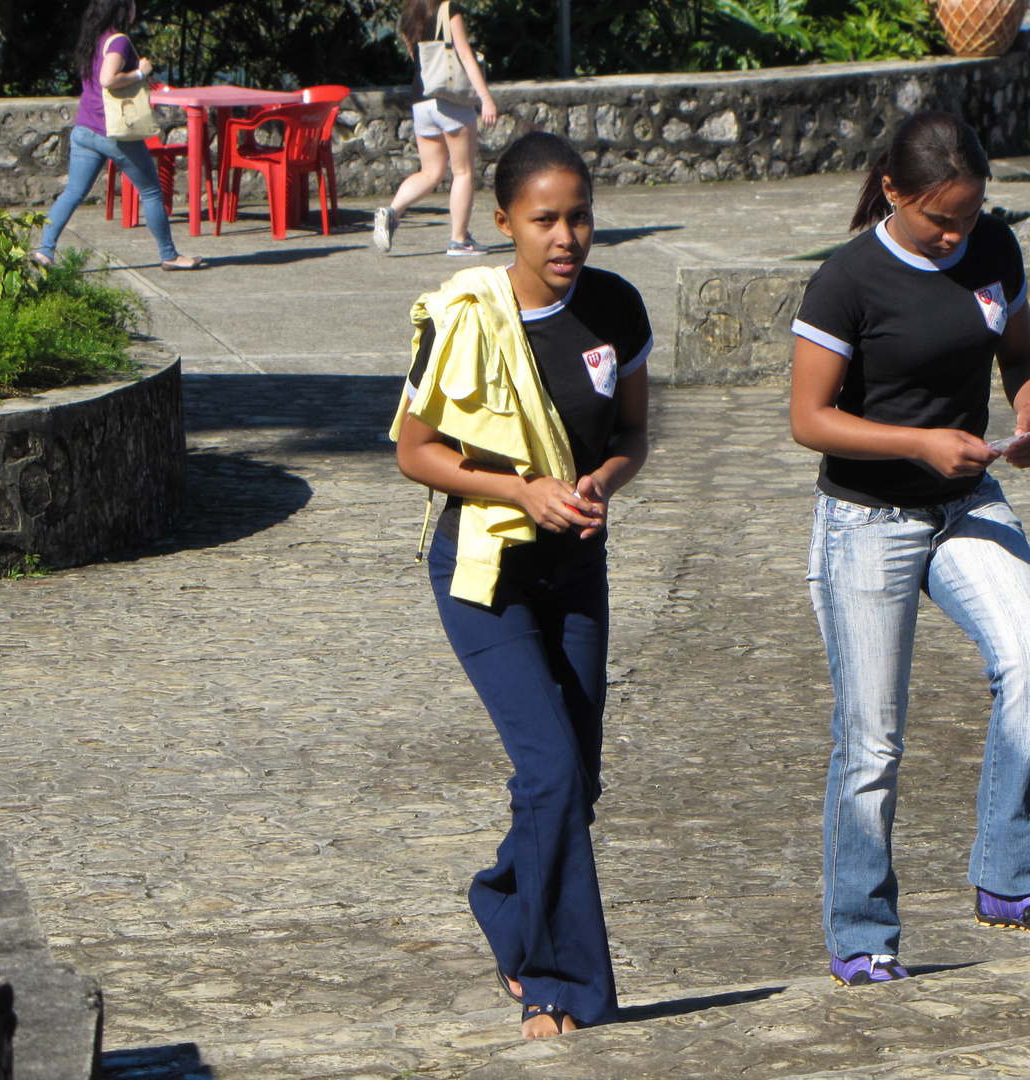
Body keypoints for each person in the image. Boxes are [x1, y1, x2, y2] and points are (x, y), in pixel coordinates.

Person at [789, 110, 1030, 988]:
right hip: (866, 521)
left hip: (967, 500)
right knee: (872, 742)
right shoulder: (846, 281)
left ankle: (1011, 877)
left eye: (969, 215)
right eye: (940, 221)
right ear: (893, 191)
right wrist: (917, 442)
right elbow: (810, 419)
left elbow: (1021, 358)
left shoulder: (994, 248)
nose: (958, 235)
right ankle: (860, 932)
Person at [392, 132, 650, 1037]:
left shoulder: (615, 306)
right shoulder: (468, 314)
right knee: (546, 770)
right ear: (504, 222)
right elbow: (414, 453)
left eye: (579, 216)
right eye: (545, 219)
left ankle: (504, 895)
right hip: (482, 569)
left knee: (574, 782)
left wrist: (597, 487)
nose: (566, 235)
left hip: (576, 564)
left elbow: (631, 437)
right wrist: (519, 490)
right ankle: (558, 981)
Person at [33, 0, 202, 271]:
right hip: (114, 133)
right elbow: (107, 79)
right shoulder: (119, 41)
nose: (136, 8)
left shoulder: (94, 37)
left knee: (73, 193)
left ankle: (45, 250)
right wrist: (139, 72)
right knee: (151, 192)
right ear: (123, 9)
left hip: (84, 129)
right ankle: (169, 255)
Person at [374, 0, 497, 255]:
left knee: (431, 172)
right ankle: (459, 240)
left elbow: (413, 55)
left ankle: (392, 211)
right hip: (449, 99)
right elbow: (464, 54)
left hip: (421, 100)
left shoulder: (410, 11)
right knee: (462, 172)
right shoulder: (449, 8)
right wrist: (485, 97)